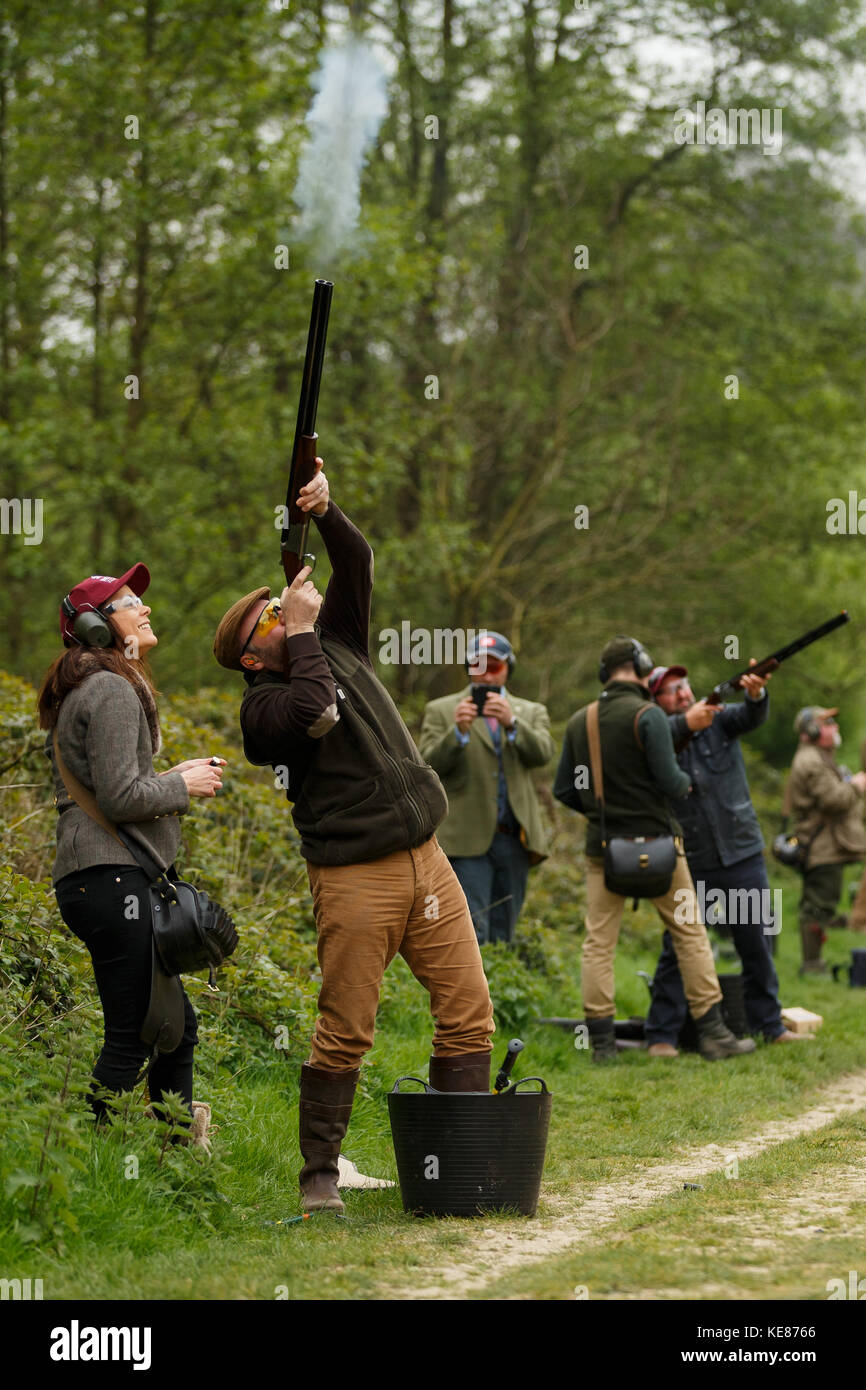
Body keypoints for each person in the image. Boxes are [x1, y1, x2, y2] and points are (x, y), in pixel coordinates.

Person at [213, 458, 494, 1214]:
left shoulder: (334, 640)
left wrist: (327, 510)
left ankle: (458, 1168)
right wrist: (299, 631)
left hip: (426, 860)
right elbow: (311, 711)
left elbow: (358, 562)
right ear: (250, 656)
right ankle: (319, 1180)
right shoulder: (261, 711)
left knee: (468, 1011)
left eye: (279, 607)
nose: (282, 612)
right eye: (267, 619)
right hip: (354, 876)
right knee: (346, 1031)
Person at [38, 566, 225, 1141]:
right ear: (97, 625)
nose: (143, 607)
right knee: (136, 1033)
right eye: (127, 602)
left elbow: (111, 785)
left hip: (102, 878)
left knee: (176, 1028)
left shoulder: (94, 687)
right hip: (110, 880)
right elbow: (120, 798)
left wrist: (171, 775)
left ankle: (173, 1155)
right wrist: (182, 787)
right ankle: (90, 1159)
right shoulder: (112, 689)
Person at [553, 635, 755, 1062]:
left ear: (604, 673)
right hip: (661, 846)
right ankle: (714, 1034)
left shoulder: (580, 721)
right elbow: (671, 781)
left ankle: (602, 1045)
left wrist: (599, 807)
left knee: (598, 943)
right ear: (642, 666)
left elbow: (567, 790)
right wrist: (683, 784)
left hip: (603, 849)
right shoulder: (650, 716)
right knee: (690, 935)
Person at [643, 662, 806, 1054]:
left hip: (741, 849)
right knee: (679, 945)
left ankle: (768, 1023)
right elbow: (643, 747)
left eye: (684, 685)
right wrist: (686, 724)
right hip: (690, 857)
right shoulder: (658, 735)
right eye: (670, 690)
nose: (682, 693)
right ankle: (661, 1035)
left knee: (756, 940)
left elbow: (752, 716)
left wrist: (755, 693)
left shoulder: (718, 719)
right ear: (656, 702)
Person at [418, 633, 555, 944]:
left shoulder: (529, 711)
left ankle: (499, 991)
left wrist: (512, 724)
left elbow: (543, 754)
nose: (487, 674)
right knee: (471, 929)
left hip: (515, 837)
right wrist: (458, 734)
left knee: (504, 931)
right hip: (465, 838)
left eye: (495, 667)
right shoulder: (442, 710)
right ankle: (472, 992)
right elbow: (426, 766)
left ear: (508, 669)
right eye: (479, 665)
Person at [787, 707, 866, 973]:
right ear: (811, 730)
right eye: (827, 722)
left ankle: (815, 962)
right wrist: (855, 785)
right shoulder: (810, 760)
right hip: (821, 846)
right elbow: (834, 800)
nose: (834, 727)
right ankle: (812, 965)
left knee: (823, 903)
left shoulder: (819, 757)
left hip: (828, 844)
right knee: (817, 906)